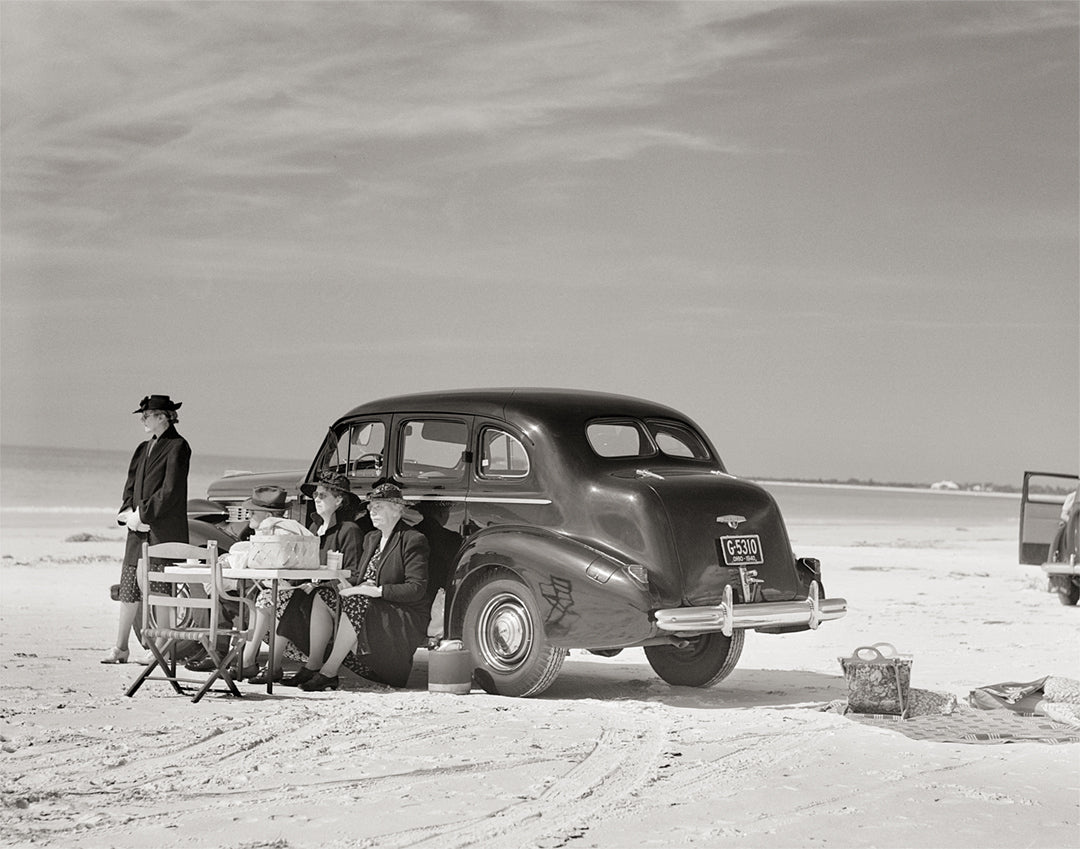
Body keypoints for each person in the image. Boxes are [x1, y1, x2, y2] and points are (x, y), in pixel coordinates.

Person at [296, 482, 430, 691]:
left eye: (378, 507)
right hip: (368, 602)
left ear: (397, 510)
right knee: (322, 596)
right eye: (370, 508)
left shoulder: (413, 540)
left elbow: (416, 588)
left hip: (399, 610)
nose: (372, 512)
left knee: (357, 600)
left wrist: (375, 591)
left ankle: (329, 672)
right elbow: (361, 576)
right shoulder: (372, 538)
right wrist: (340, 579)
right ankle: (314, 663)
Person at [102, 395, 191, 664]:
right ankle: (120, 648)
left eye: (147, 415)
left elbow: (171, 490)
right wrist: (128, 511)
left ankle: (162, 650)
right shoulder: (143, 448)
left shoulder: (179, 446)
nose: (143, 419)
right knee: (129, 588)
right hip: (137, 529)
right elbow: (131, 484)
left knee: (161, 591)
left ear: (163, 416)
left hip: (163, 530)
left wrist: (145, 514)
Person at [274, 471, 365, 685]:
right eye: (315, 495)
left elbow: (353, 572)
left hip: (337, 592)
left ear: (339, 500)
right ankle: (275, 664)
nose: (316, 499)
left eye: (323, 496)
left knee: (312, 596)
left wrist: (320, 584)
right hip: (310, 590)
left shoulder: (349, 531)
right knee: (277, 596)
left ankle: (312, 664)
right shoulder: (314, 529)